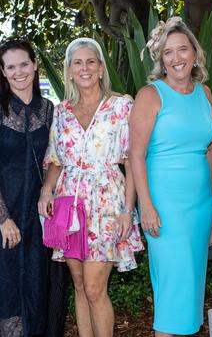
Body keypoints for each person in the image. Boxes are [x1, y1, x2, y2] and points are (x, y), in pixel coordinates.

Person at [37, 37, 144, 337]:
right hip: (69, 203)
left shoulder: (121, 106)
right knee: (80, 285)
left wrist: (128, 210)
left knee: (96, 287)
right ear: (69, 70)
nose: (84, 68)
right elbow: (56, 160)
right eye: (77, 62)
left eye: (91, 62)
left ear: (100, 69)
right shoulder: (61, 112)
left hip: (107, 201)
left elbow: (131, 160)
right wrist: (47, 191)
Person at [129, 17, 212, 336]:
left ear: (195, 53)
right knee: (171, 291)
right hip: (164, 206)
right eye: (168, 52)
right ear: (160, 59)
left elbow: (210, 148)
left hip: (201, 205)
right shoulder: (150, 95)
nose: (177, 58)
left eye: (183, 49)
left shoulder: (204, 93)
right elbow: (135, 155)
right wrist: (146, 206)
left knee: (191, 288)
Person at [0, 38, 58, 336]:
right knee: (2, 289)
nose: (19, 71)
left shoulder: (48, 109)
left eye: (24, 64)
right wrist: (3, 218)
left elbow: (51, 160)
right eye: (11, 66)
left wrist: (48, 193)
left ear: (34, 65)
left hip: (33, 215)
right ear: (3, 72)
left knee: (31, 286)